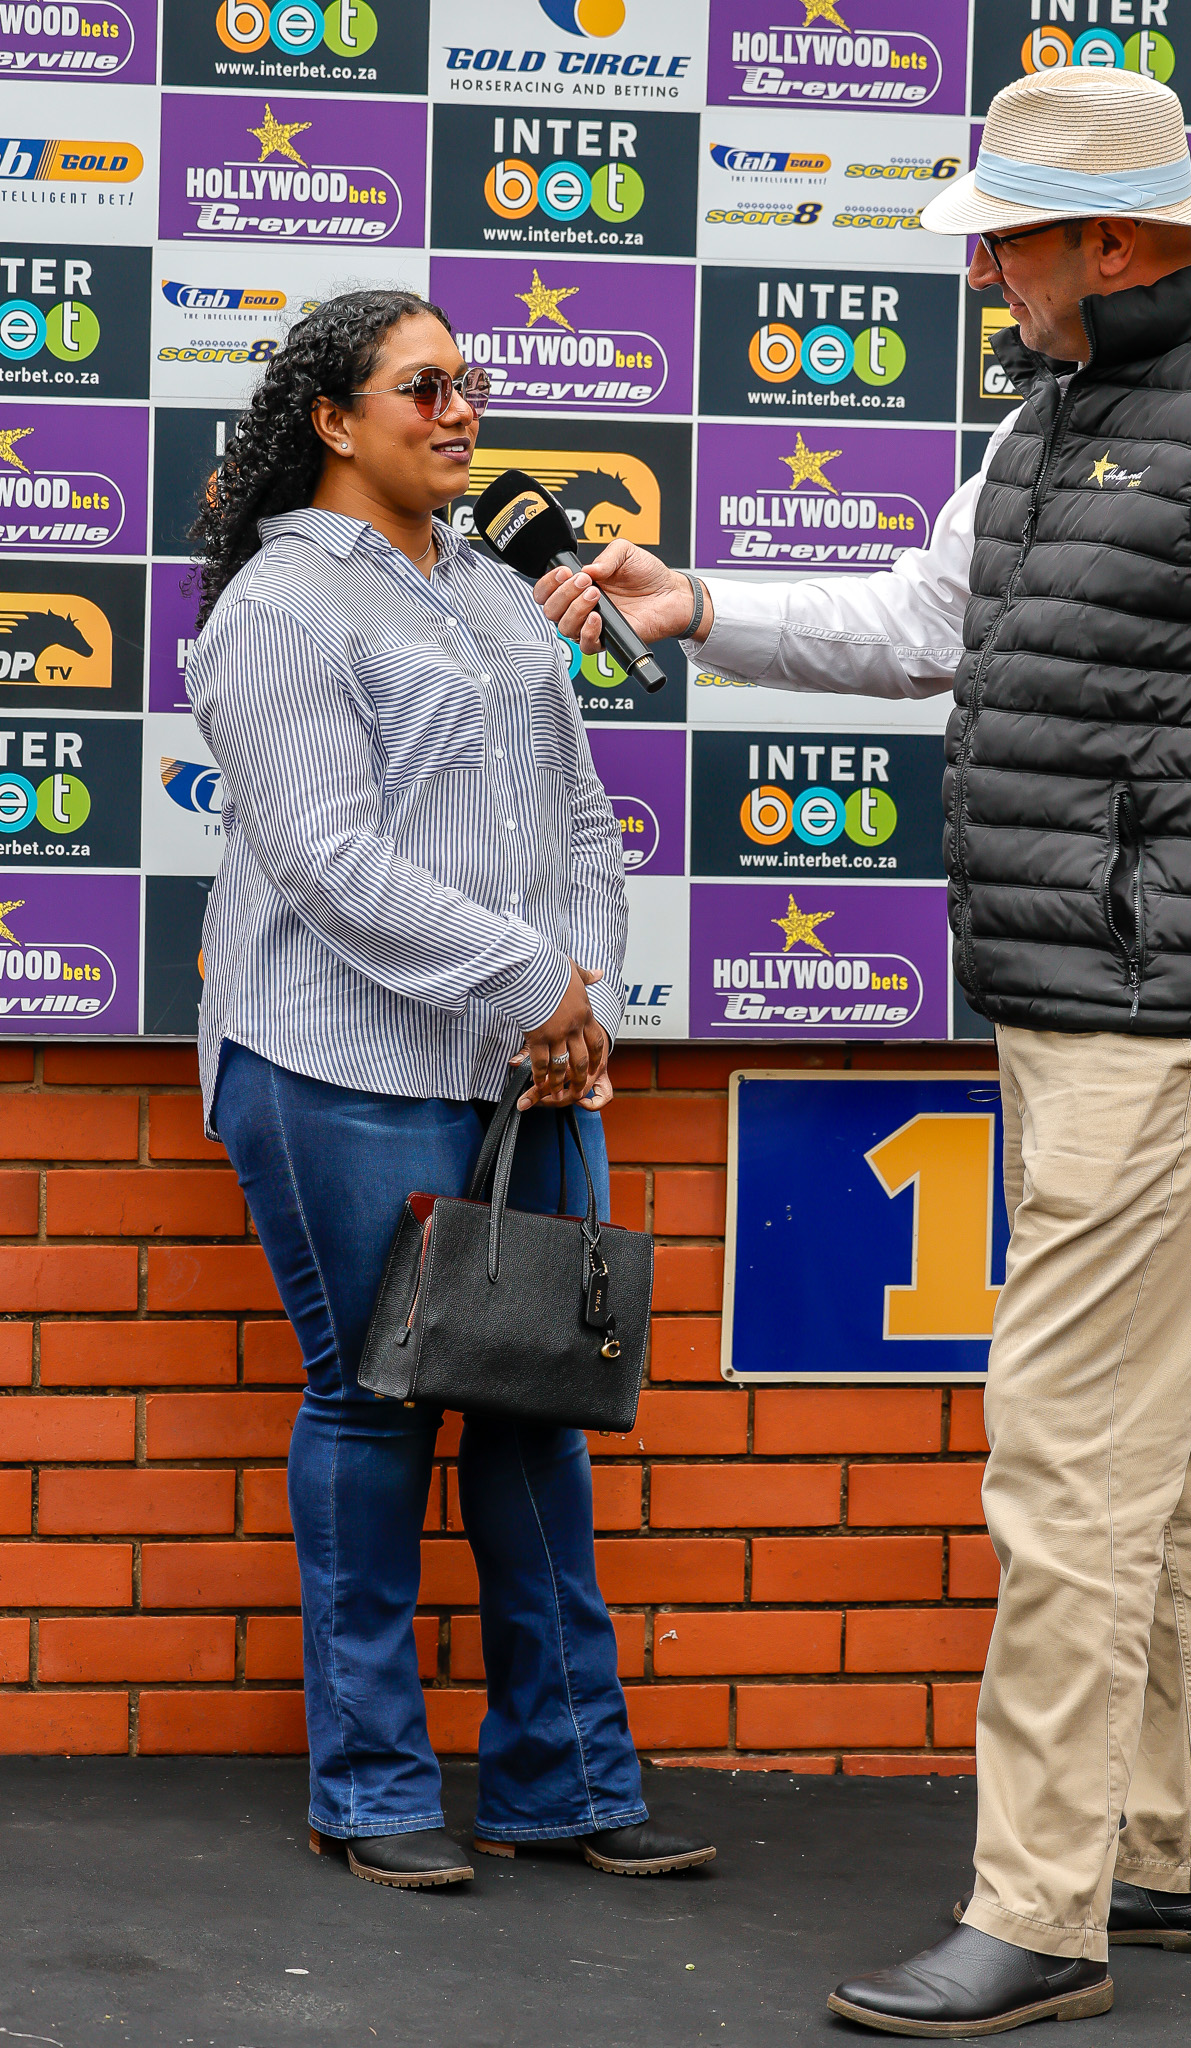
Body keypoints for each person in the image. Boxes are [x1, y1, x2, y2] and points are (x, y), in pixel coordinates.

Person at [536, 67, 1191, 2034]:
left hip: (1172, 1013)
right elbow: (914, 619)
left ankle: (1040, 1906)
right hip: (1088, 1001)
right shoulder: (1058, 416)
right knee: (1162, 1427)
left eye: (1010, 244)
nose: (989, 280)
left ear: (1114, 248)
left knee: (1062, 1446)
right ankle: (1190, 1849)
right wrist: (694, 603)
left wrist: (1186, 879)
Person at [186, 289, 713, 1890]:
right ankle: (372, 1790)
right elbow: (330, 866)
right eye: (423, 388)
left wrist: (582, 997)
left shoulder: (498, 593)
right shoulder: (282, 605)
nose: (459, 411)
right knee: (370, 1405)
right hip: (332, 1063)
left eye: (469, 386)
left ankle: (564, 1784)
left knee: (533, 1413)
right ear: (335, 420)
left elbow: (584, 829)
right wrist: (523, 983)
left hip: (527, 1071)